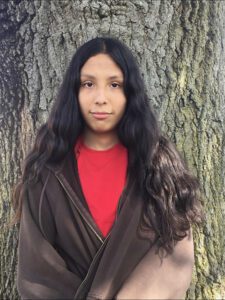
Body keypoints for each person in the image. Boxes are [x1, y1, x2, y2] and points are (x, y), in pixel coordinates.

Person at [13, 36, 202, 299]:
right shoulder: (45, 173)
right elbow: (37, 275)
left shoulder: (160, 168)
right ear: (74, 92)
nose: (101, 98)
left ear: (129, 93)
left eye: (114, 85)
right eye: (88, 84)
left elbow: (175, 253)